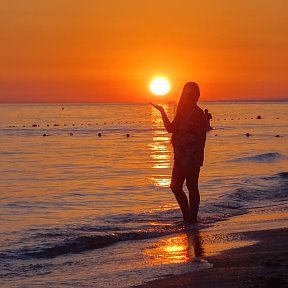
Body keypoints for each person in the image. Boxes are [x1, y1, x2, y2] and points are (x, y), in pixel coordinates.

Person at [151, 82, 207, 223]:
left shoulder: (198, 113)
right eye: (188, 93)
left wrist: (199, 155)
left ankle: (192, 219)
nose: (191, 96)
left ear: (198, 96)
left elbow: (202, 136)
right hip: (180, 156)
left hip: (192, 155)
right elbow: (170, 128)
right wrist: (162, 112)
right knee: (175, 186)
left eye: (193, 93)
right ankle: (187, 217)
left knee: (192, 186)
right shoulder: (181, 112)